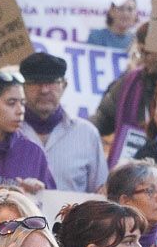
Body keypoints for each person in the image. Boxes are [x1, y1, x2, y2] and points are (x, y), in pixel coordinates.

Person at [17, 52, 102, 193]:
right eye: (36, 82)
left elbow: (100, 192)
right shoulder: (8, 132)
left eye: (51, 82)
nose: (44, 90)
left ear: (64, 85)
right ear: (23, 87)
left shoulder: (87, 133)